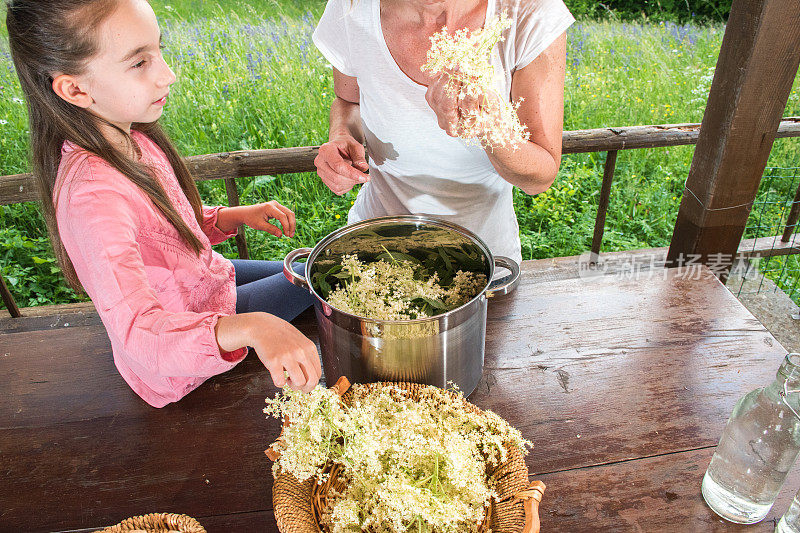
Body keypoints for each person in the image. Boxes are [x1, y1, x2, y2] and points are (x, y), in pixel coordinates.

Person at [5, 0, 321, 408]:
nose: (167, 75)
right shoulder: (91, 197)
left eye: (159, 51)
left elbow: (162, 227)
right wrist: (257, 327)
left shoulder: (131, 137)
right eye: (139, 63)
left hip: (206, 282)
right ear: (75, 88)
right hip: (182, 350)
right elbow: (139, 335)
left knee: (315, 262)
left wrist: (229, 217)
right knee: (324, 272)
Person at [313, 0, 574, 264]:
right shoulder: (351, 7)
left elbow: (539, 177)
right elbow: (349, 101)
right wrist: (342, 136)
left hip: (480, 259)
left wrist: (488, 125)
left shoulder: (533, 12)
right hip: (377, 248)